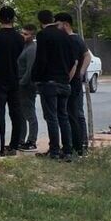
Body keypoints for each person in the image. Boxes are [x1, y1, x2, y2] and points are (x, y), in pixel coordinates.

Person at [32, 10, 76, 161]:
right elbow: (72, 60)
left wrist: (35, 77)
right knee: (63, 116)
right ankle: (68, 150)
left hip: (49, 82)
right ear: (52, 19)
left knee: (51, 117)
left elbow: (41, 59)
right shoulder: (65, 35)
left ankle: (54, 151)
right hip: (64, 81)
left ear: (40, 21)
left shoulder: (43, 35)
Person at [0, 6, 27, 156]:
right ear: (13, 19)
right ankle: (14, 146)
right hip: (14, 79)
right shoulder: (20, 38)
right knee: (16, 113)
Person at [56, 13, 91, 156]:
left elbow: (74, 63)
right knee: (77, 113)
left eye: (57, 25)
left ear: (65, 24)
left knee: (71, 115)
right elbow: (87, 55)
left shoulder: (71, 40)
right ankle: (81, 144)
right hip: (76, 82)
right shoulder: (78, 39)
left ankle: (75, 147)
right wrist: (81, 73)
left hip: (71, 83)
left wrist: (68, 79)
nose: (56, 28)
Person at [16, 24, 40, 151]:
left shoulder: (32, 49)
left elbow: (30, 69)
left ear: (32, 36)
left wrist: (22, 83)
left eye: (26, 34)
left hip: (27, 85)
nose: (23, 36)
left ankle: (32, 140)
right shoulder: (23, 47)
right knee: (21, 113)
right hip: (20, 83)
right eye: (22, 33)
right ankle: (21, 139)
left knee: (29, 113)